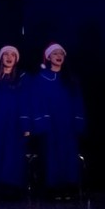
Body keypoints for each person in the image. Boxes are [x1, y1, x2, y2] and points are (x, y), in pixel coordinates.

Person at [25, 43, 86, 198]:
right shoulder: (40, 79)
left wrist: (78, 121)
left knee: (68, 155)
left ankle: (68, 187)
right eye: (55, 53)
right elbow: (36, 102)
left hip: (67, 124)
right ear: (49, 57)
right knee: (51, 156)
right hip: (50, 124)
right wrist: (41, 122)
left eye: (61, 53)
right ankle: (52, 188)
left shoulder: (71, 79)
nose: (58, 56)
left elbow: (78, 101)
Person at [0, 45, 29, 196]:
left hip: (15, 123)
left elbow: (27, 101)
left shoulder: (22, 77)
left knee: (13, 154)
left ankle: (14, 188)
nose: (9, 57)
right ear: (1, 57)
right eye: (6, 54)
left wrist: (26, 124)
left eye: (12, 54)